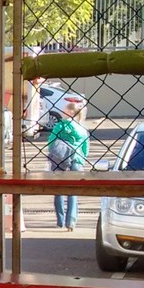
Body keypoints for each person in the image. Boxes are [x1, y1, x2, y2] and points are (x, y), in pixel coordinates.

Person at [47, 98, 91, 230]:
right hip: (76, 159)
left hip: (60, 159)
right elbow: (85, 147)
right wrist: (82, 159)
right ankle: (71, 221)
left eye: (64, 110)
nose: (62, 112)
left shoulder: (60, 126)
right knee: (73, 191)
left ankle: (60, 221)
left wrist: (54, 152)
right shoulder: (82, 129)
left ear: (70, 112)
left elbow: (51, 141)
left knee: (58, 189)